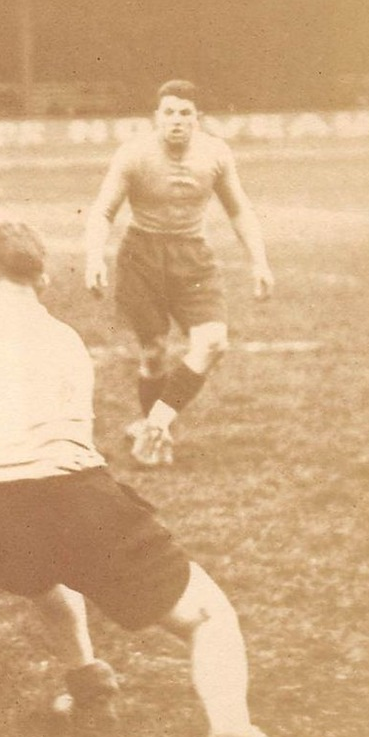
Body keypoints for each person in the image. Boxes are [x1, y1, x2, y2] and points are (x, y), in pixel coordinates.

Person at [0, 216, 353, 737]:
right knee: (209, 617)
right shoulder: (65, 340)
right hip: (71, 498)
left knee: (48, 578)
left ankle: (87, 687)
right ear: (44, 279)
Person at [83, 79, 274, 467]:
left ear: (197, 119)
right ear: (156, 117)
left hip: (193, 256)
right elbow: (103, 211)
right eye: (168, 112)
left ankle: (153, 426)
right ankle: (155, 433)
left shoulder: (216, 154)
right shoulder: (134, 154)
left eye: (185, 113)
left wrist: (259, 261)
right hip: (142, 255)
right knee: (153, 354)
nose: (176, 121)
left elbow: (239, 210)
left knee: (214, 342)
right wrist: (93, 258)